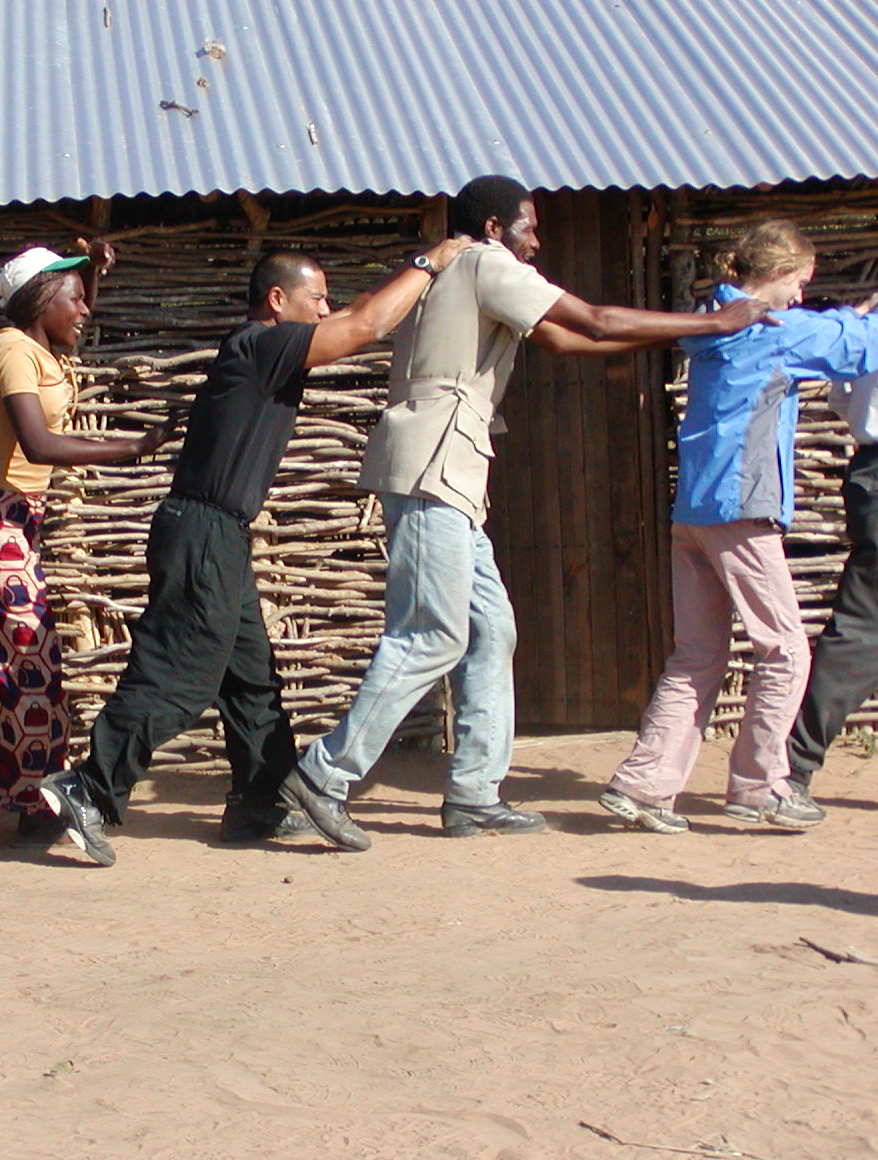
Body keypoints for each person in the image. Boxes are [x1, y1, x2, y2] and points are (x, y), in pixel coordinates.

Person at [283, 175, 773, 851]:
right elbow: (594, 320)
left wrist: (680, 339)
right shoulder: (488, 264)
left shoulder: (462, 270)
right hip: (431, 467)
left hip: (448, 470)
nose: (537, 240)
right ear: (493, 227)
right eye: (529, 225)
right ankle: (322, 775)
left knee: (491, 630)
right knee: (430, 635)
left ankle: (475, 793)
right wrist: (717, 323)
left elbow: (567, 341)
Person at [41, 237, 476, 866]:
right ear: (277, 299)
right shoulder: (260, 344)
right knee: (180, 676)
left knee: (251, 679)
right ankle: (88, 787)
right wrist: (429, 262)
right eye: (315, 298)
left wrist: (405, 280)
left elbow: (359, 311)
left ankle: (258, 801)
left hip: (218, 533)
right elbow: (365, 324)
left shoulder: (266, 348)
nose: (325, 310)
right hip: (202, 533)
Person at [602, 221, 878, 832]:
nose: (801, 296)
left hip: (695, 511)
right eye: (799, 282)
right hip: (742, 511)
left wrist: (850, 318)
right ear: (777, 274)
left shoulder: (714, 320)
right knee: (786, 649)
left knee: (697, 656)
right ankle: (760, 784)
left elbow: (834, 333)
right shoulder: (775, 331)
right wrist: (864, 316)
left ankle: (644, 785)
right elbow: (862, 346)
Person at [0, 241, 174, 841]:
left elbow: (68, 308)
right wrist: (133, 447)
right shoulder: (12, 349)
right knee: (28, 663)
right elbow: (38, 445)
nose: (85, 310)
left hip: (10, 523)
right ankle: (35, 802)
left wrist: (89, 272)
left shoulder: (40, 350)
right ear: (40, 300)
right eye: (75, 299)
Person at [784, 353, 878, 804]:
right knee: (864, 628)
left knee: (863, 627)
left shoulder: (869, 326)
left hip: (872, 471)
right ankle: (792, 766)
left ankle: (793, 767)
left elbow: (843, 396)